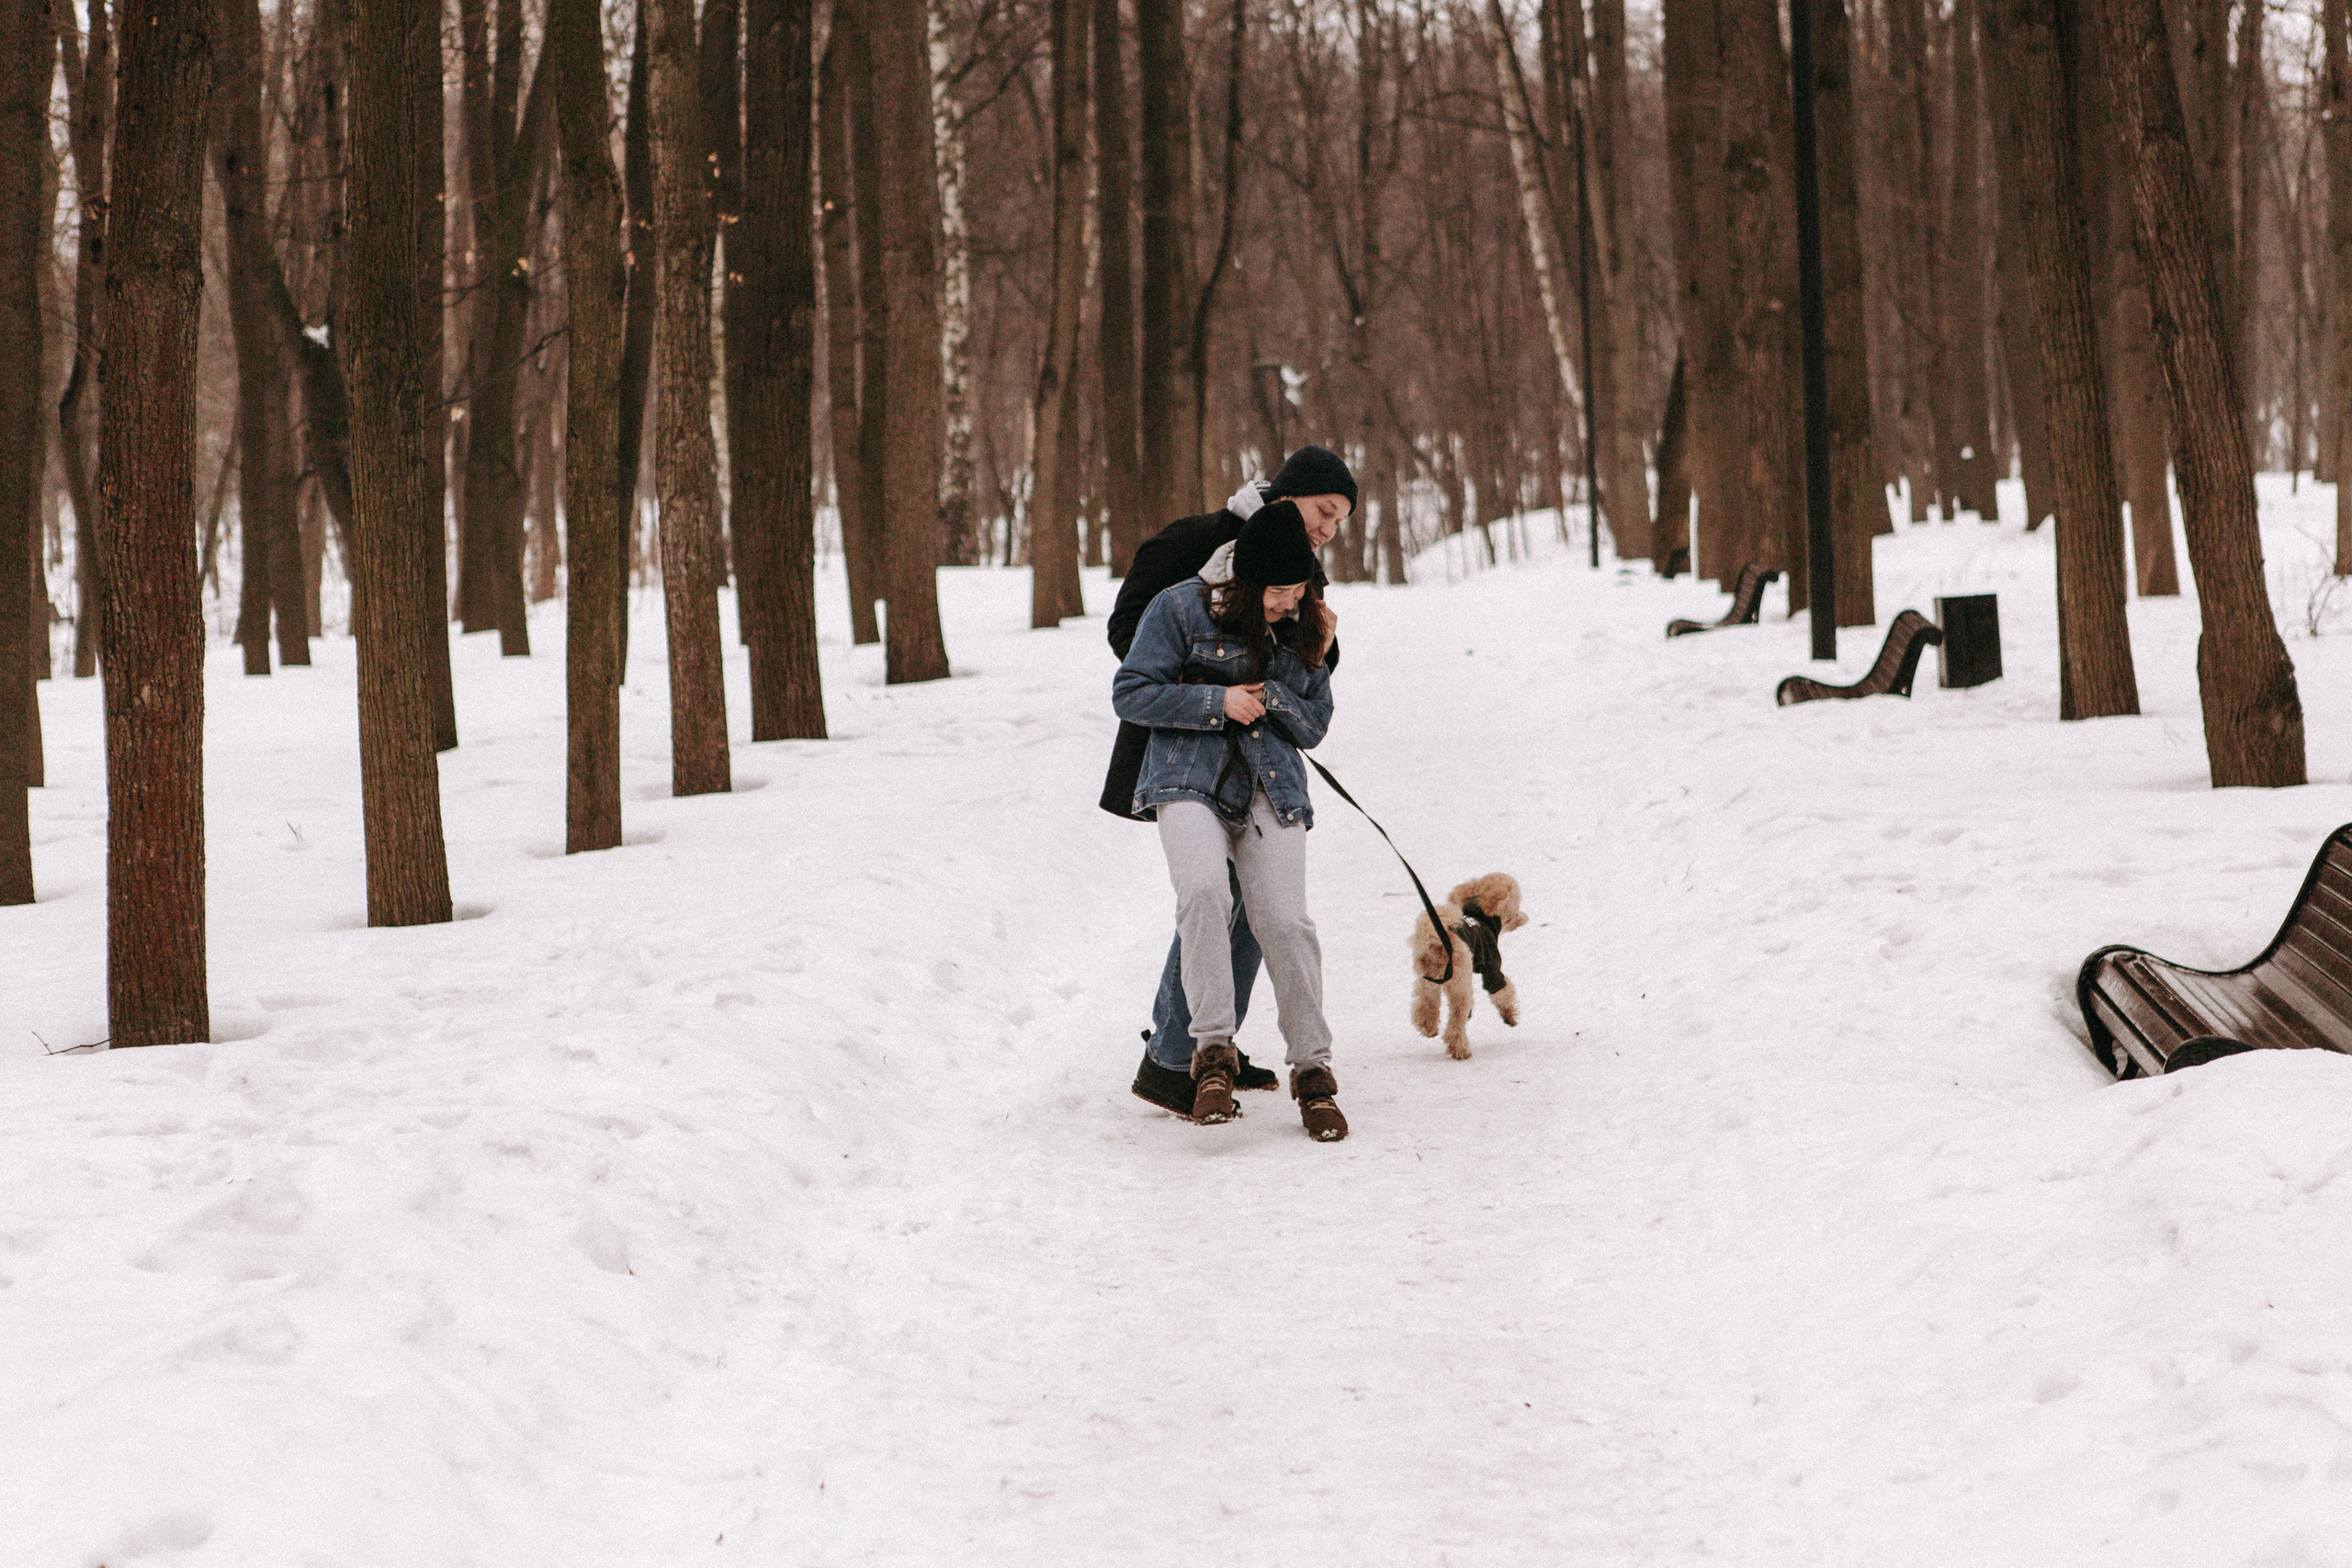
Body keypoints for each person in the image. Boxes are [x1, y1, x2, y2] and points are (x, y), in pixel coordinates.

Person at [1102, 446, 1358, 1118]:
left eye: (1341, 521)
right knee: (1208, 897)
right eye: (1325, 512)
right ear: (1286, 497)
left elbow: (1308, 675)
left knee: (1266, 910)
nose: (1330, 528)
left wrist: (1314, 652)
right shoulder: (1195, 544)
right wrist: (1207, 688)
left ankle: (1218, 1048)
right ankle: (1178, 1053)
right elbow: (1129, 636)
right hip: (1183, 749)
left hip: (1262, 762)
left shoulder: (1299, 571)